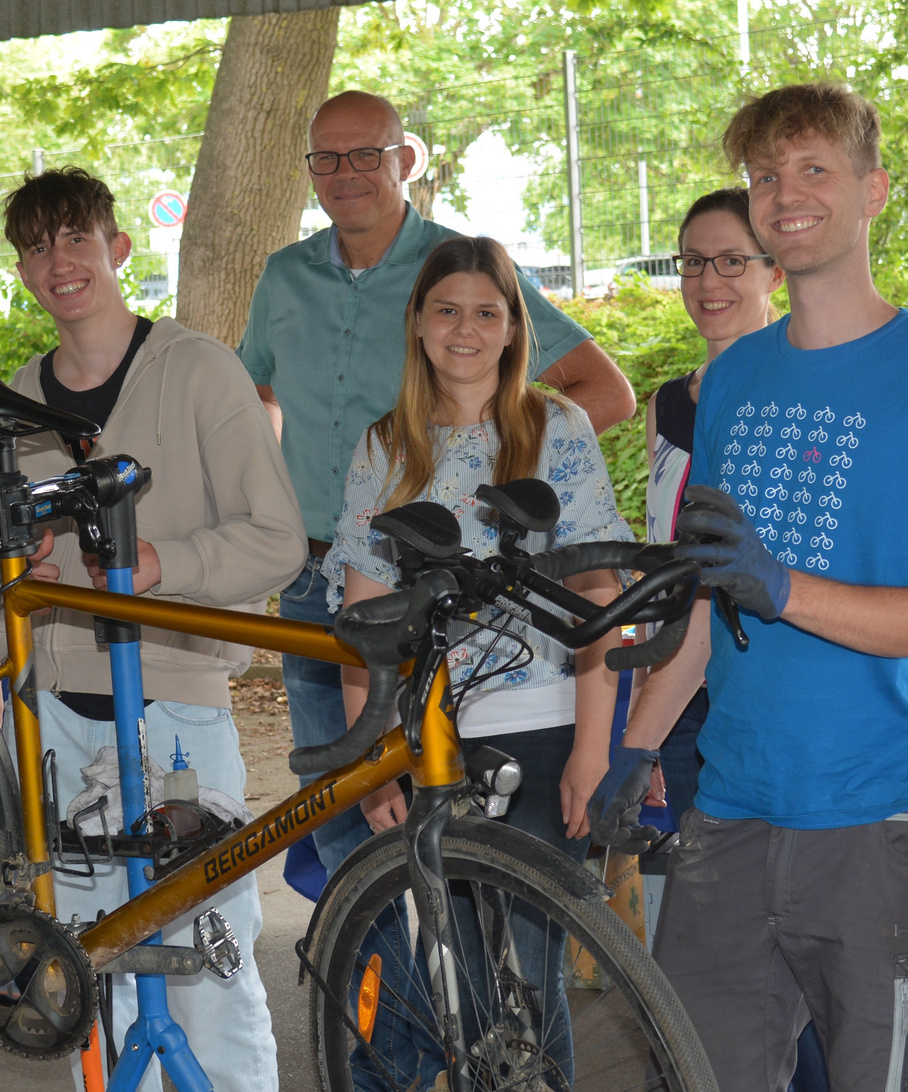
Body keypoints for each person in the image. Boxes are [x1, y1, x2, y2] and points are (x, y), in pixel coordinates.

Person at [593, 83, 908, 1091]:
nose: (784, 194)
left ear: (872, 192)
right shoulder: (730, 380)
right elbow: (707, 597)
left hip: (883, 825)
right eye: (765, 175)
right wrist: (634, 747)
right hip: (729, 822)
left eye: (813, 169)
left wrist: (783, 587)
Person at [0, 166, 305, 1092]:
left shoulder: (196, 370)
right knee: (91, 974)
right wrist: (19, 595)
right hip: (59, 735)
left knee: (209, 972)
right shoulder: (14, 405)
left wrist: (159, 570)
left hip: (180, 720)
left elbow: (277, 541)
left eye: (76, 239)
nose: (58, 262)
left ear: (117, 249)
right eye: (36, 247)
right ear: (23, 271)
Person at [240, 89, 637, 881]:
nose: (345, 172)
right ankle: (367, 990)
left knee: (489, 880)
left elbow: (609, 394)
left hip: (481, 613)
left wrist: (495, 473)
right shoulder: (284, 278)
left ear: (406, 160)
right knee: (347, 815)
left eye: (366, 154)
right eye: (327, 157)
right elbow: (256, 397)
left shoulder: (461, 265)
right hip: (332, 578)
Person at [326, 234, 632, 1087]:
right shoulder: (385, 446)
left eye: (486, 313)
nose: (465, 329)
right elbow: (361, 621)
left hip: (544, 731)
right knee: (452, 981)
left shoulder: (554, 429)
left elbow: (599, 592)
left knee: (534, 983)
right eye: (447, 309)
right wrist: (372, 757)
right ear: (418, 324)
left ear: (513, 330)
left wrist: (593, 747)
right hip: (431, 744)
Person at [639, 187, 785, 823]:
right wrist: (645, 704)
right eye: (692, 262)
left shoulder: (795, 401)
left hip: (759, 684)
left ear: (775, 269)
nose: (708, 281)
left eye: (732, 261)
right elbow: (664, 561)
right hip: (675, 688)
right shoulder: (668, 406)